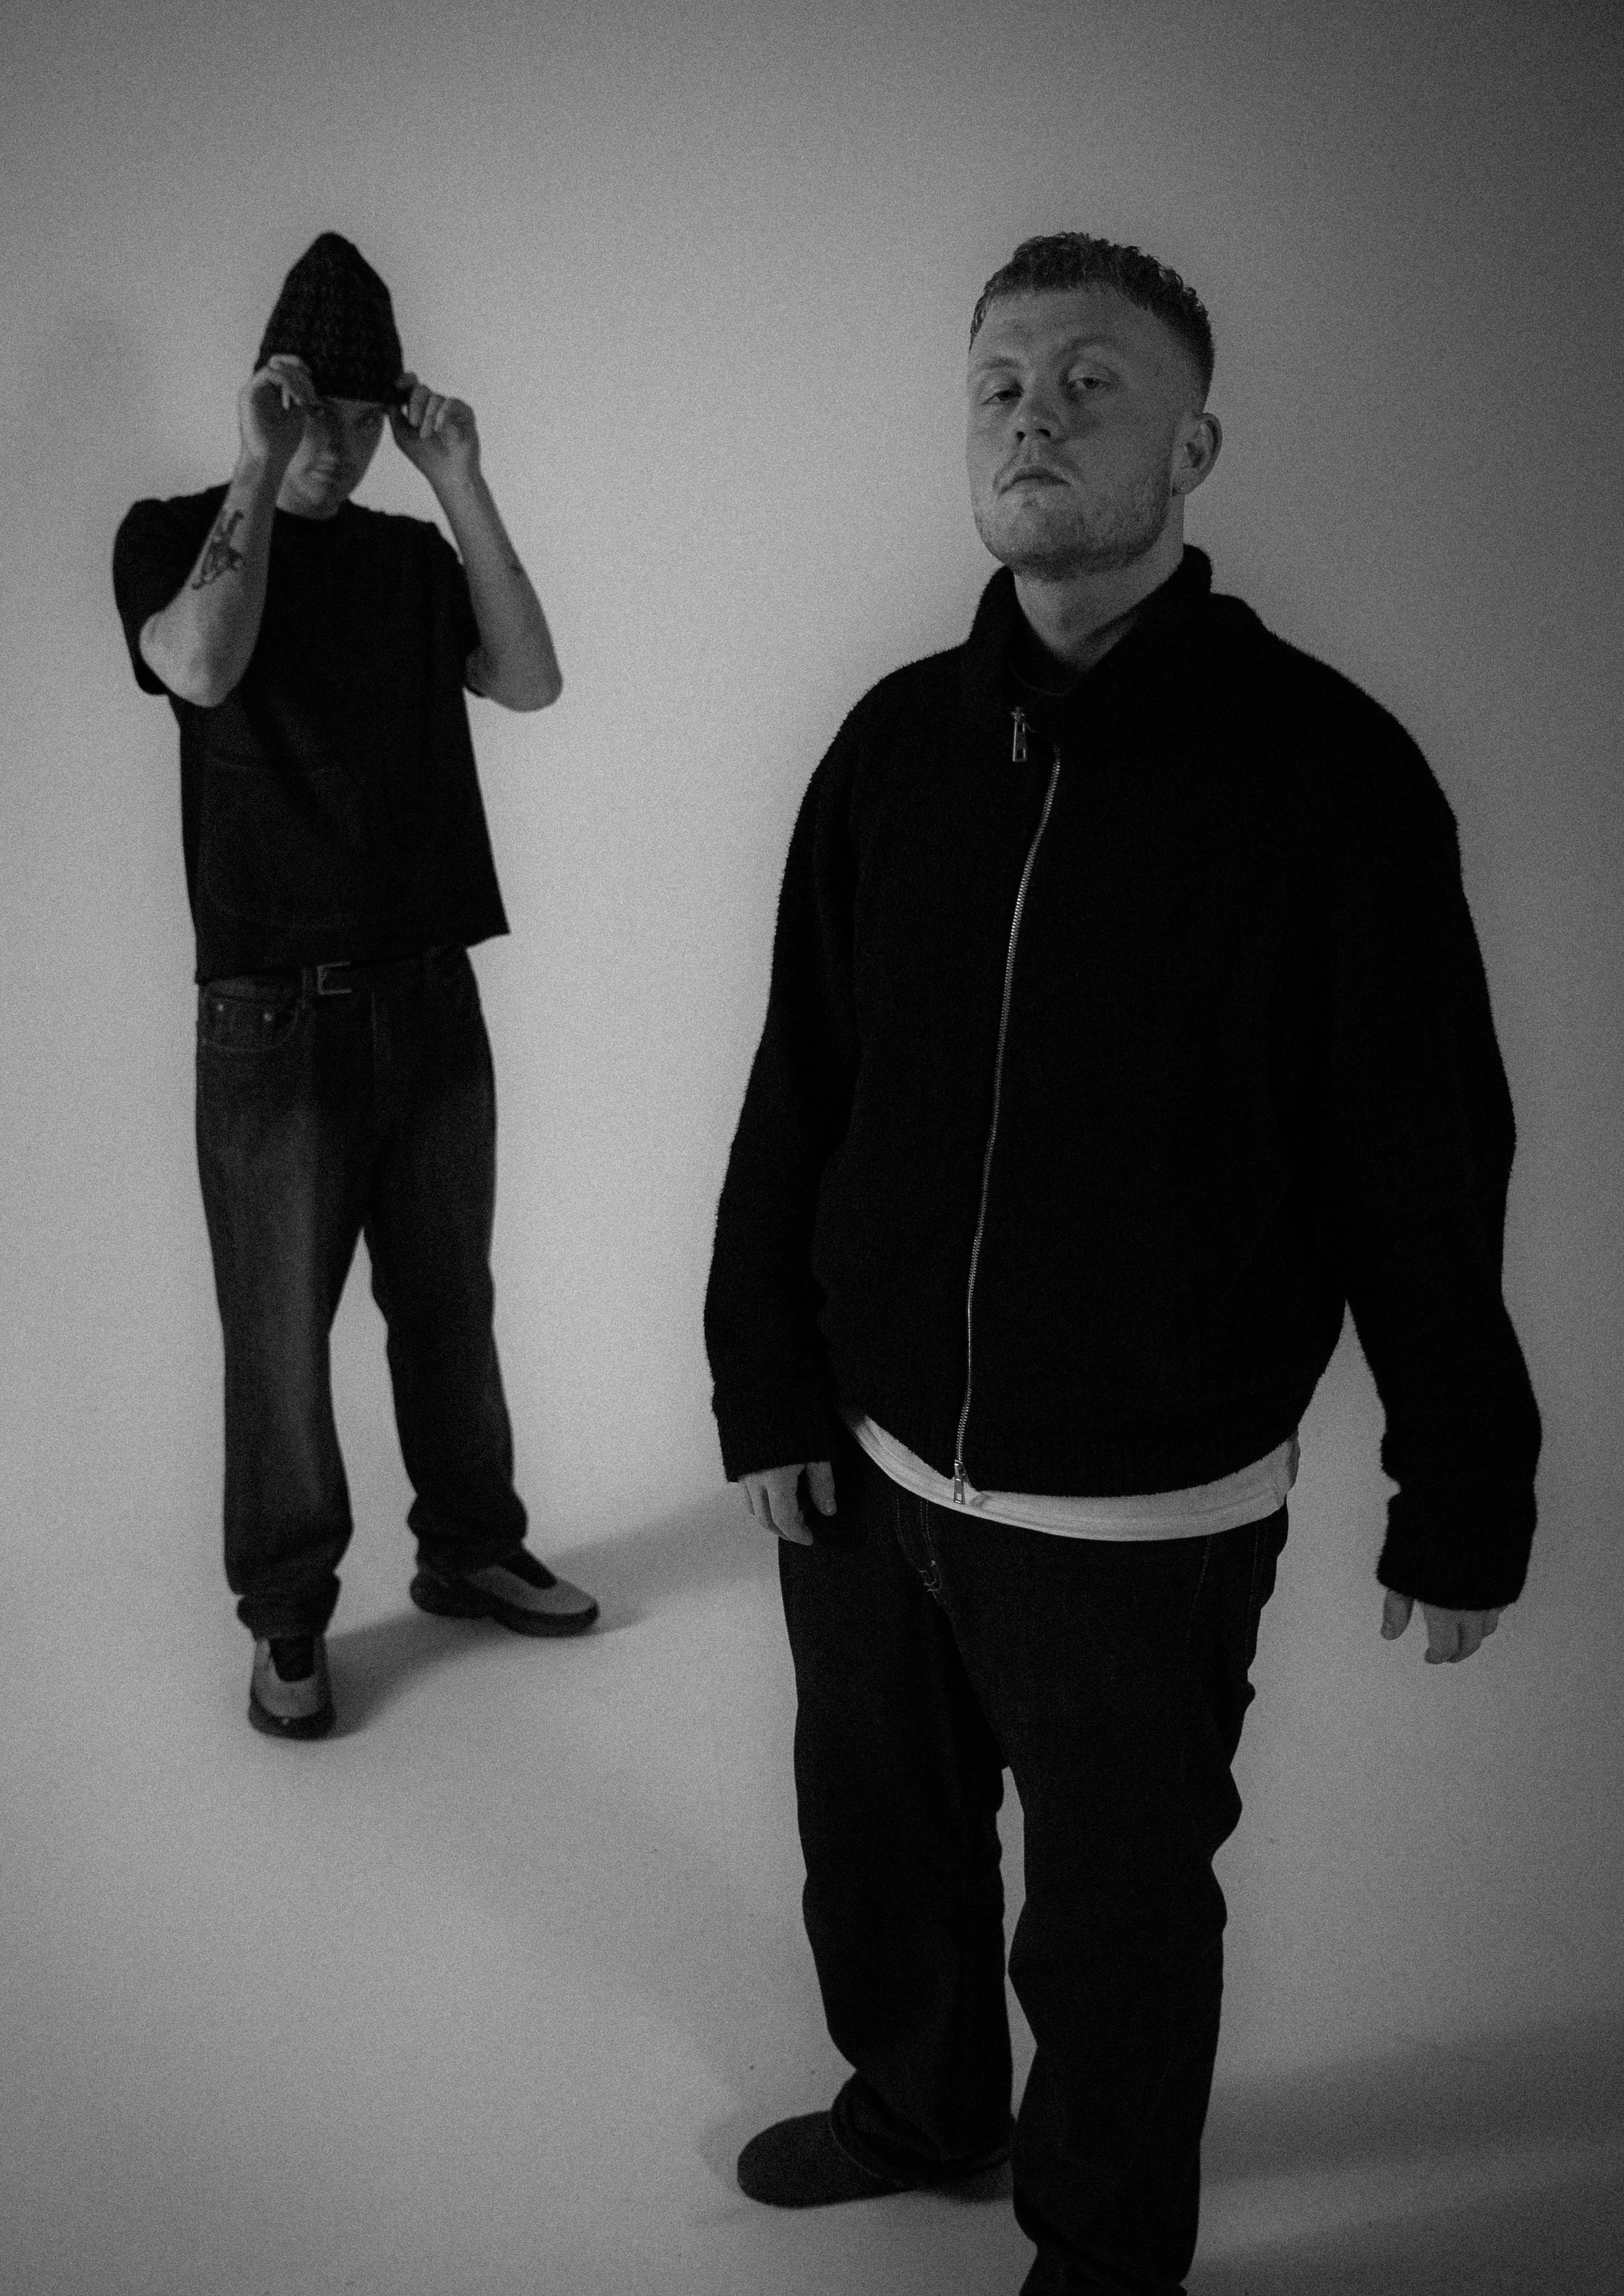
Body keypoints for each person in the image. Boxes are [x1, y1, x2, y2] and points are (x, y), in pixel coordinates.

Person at [702, 232, 1540, 2295]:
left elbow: (1420, 1158)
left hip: (1139, 1513)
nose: (1029, 414)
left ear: (1194, 443)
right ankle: (918, 2105)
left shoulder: (1327, 777)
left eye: (1092, 382)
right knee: (879, 1850)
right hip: (873, 1468)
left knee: (1114, 1921)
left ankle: (1097, 2256)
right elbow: (796, 1091)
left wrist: (1462, 1481)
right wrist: (767, 1382)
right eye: (997, 379)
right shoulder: (892, 746)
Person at [114, 232, 596, 1742]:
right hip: (271, 1014)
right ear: (264, 395)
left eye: (361, 411)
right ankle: (286, 1619)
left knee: (451, 1304)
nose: (334, 439)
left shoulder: (405, 560)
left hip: (428, 991)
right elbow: (199, 665)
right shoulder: (175, 531)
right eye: (306, 404)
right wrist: (256, 476)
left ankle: (466, 1550)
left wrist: (459, 478)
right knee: (276, 1336)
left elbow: (529, 678)